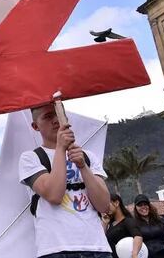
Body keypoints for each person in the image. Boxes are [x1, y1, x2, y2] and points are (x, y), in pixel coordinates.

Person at [18, 103, 112, 258]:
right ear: (35, 126)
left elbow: (103, 205)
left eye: (58, 115)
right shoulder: (31, 158)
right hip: (56, 249)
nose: (55, 120)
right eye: (48, 117)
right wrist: (61, 149)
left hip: (98, 247)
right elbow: (54, 195)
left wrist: (82, 166)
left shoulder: (88, 156)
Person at [133, 194, 164, 258]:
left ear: (149, 206)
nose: (143, 207)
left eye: (145, 204)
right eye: (140, 205)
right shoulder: (134, 224)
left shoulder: (160, 220)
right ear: (136, 208)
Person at [105, 194, 143, 258]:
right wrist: (105, 223)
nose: (106, 207)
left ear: (117, 203)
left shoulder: (128, 221)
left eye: (107, 204)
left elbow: (138, 236)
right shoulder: (110, 224)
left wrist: (134, 254)